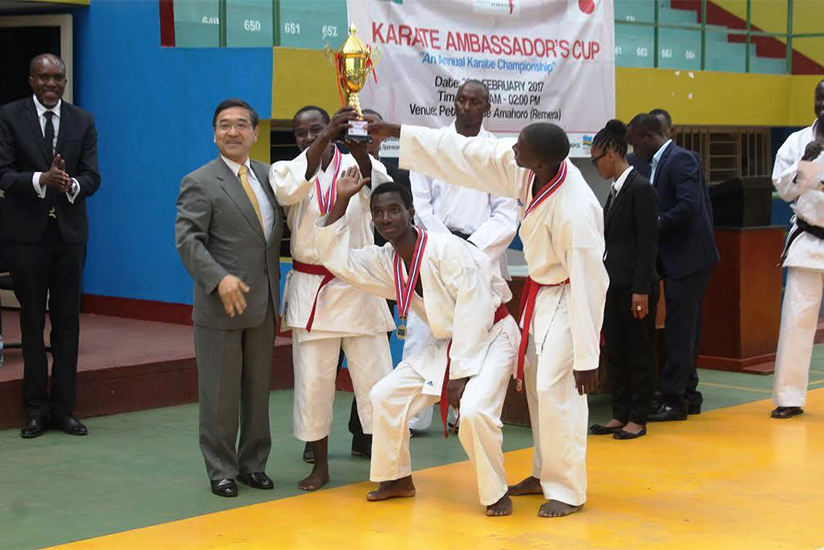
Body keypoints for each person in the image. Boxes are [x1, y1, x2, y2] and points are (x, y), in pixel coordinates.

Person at [368, 120, 608, 518]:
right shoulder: (530, 168)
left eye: (521, 149)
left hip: (571, 296)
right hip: (542, 292)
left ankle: (567, 489)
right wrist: (399, 133)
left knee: (557, 389)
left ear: (543, 162)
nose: (512, 151)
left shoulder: (576, 208)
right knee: (536, 386)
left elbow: (590, 283)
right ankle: (543, 472)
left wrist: (588, 356)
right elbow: (467, 154)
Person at [315, 173, 520, 517]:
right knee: (385, 396)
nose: (385, 218)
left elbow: (477, 305)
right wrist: (340, 201)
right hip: (451, 344)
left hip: (492, 336)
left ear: (411, 212)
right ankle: (396, 479)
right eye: (378, 212)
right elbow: (338, 261)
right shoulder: (387, 261)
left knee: (473, 411)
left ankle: (497, 492)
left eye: (394, 210)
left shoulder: (445, 248)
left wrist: (459, 374)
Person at [269, 105, 395, 491]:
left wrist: (357, 147)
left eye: (317, 129)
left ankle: (392, 467)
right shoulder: (287, 169)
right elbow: (288, 190)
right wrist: (325, 140)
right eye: (302, 132)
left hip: (358, 283)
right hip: (313, 290)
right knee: (314, 384)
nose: (309, 136)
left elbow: (383, 193)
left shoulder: (357, 163)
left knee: (377, 383)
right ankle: (320, 465)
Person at [175, 98, 283, 497]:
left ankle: (253, 464)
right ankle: (221, 468)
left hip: (264, 304)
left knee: (257, 393)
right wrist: (218, 279)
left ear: (256, 133)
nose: (232, 132)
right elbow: (188, 240)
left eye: (241, 125)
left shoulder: (270, 178)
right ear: (214, 134)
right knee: (220, 395)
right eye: (224, 125)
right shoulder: (199, 181)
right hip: (220, 305)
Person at [404, 80, 518, 434]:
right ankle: (410, 416)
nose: (466, 106)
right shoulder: (431, 147)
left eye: (475, 102)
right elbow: (420, 205)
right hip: (435, 249)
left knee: (473, 337)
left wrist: (469, 250)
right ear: (454, 103)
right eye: (461, 100)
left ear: (487, 108)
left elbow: (506, 213)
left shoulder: (499, 153)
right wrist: (444, 246)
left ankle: (463, 412)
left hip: (479, 254)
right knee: (424, 332)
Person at [0, 53, 100, 439]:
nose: (51, 84)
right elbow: (4, 174)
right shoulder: (9, 116)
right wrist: (43, 178)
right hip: (26, 237)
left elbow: (93, 176)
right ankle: (35, 410)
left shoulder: (83, 120)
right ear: (31, 80)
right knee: (30, 324)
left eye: (57, 78)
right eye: (43, 77)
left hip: (70, 237)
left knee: (67, 325)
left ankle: (63, 409)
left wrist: (72, 185)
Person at [627, 114, 719, 422]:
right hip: (678, 259)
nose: (633, 150)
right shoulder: (659, 163)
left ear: (649, 137)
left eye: (635, 143)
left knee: (681, 330)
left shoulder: (680, 160)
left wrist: (652, 226)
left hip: (689, 258)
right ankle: (688, 394)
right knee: (686, 328)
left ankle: (674, 400)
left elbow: (688, 206)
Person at [588, 120, 659, 440]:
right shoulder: (615, 191)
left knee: (639, 351)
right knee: (615, 349)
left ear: (614, 153)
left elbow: (648, 243)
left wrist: (642, 290)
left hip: (635, 287)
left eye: (597, 159)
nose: (596, 166)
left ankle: (638, 416)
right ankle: (619, 412)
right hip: (614, 283)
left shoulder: (641, 188)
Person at [770, 78, 824, 419]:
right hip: (809, 238)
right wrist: (806, 163)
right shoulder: (798, 142)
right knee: (797, 320)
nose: (823, 105)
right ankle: (789, 397)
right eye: (820, 99)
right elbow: (784, 190)